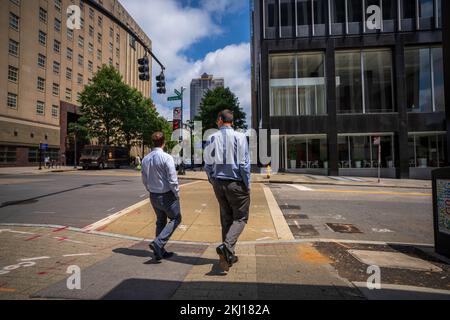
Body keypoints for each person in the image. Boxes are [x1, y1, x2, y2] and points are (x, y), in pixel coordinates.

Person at [204, 110, 251, 271]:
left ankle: (227, 258)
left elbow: (208, 165)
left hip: (219, 183)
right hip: (236, 183)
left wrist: (212, 180)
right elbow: (244, 164)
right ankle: (227, 247)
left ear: (220, 120)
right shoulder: (240, 137)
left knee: (226, 219)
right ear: (232, 121)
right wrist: (247, 184)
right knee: (241, 218)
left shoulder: (212, 138)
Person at [141, 132, 182, 261]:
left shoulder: (146, 158)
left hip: (153, 195)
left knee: (160, 221)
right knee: (176, 218)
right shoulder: (166, 157)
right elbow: (172, 179)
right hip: (166, 195)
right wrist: (176, 193)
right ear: (164, 143)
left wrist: (150, 189)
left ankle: (160, 251)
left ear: (153, 143)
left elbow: (144, 178)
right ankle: (158, 243)